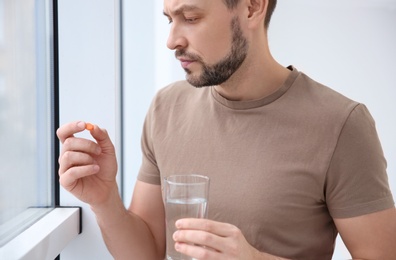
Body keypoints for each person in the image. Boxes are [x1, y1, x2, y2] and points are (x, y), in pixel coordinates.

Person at [57, 0, 396, 259]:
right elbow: (148, 251)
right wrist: (104, 201)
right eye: (169, 20)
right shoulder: (166, 107)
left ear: (251, 7)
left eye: (191, 18)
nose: (172, 40)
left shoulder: (341, 124)